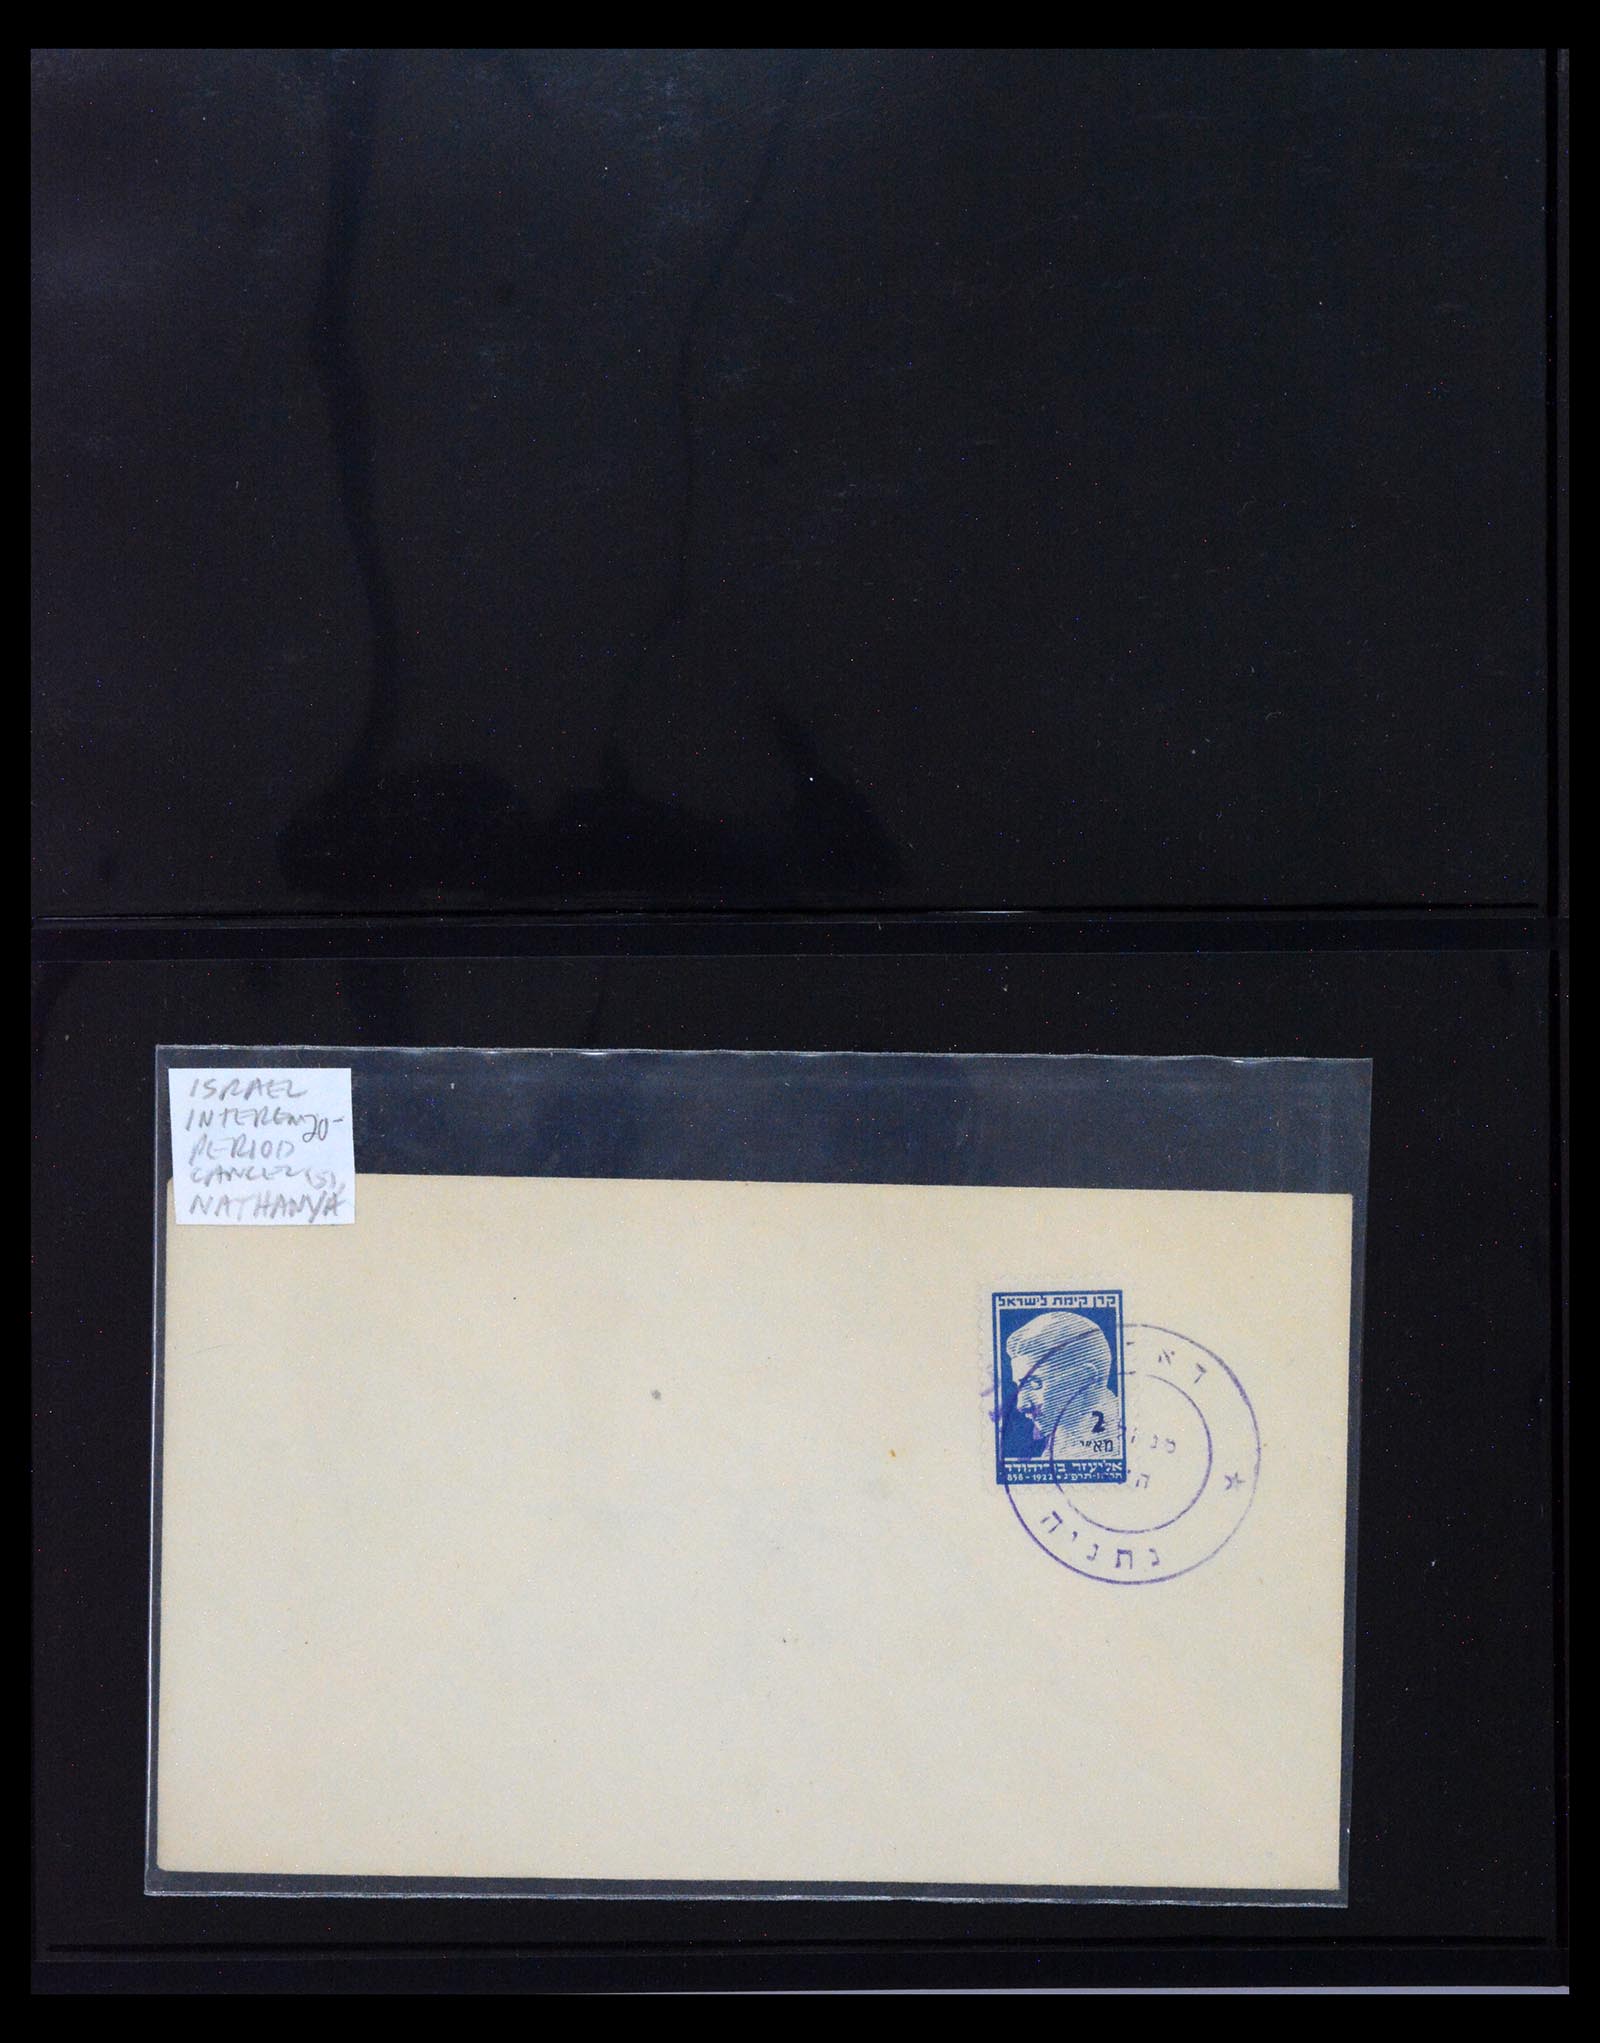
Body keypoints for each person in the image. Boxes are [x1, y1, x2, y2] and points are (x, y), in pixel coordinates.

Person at [1006, 1310, 1119, 1458]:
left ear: (1084, 1379)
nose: (1021, 1405)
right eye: (1019, 1386)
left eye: (1035, 1383)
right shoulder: (1059, 1443)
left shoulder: (1121, 1441)